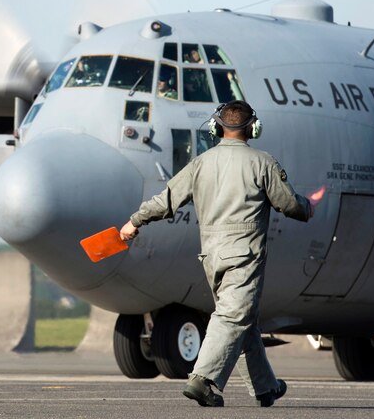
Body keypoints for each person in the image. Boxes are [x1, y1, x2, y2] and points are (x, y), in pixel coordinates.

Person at [119, 100, 313, 407]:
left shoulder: (200, 163)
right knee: (232, 316)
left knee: (243, 318)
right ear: (253, 128)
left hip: (211, 255)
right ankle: (203, 380)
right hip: (244, 255)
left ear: (217, 126)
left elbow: (166, 199)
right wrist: (308, 205)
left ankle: (266, 387)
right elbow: (290, 205)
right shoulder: (263, 163)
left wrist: (134, 221)